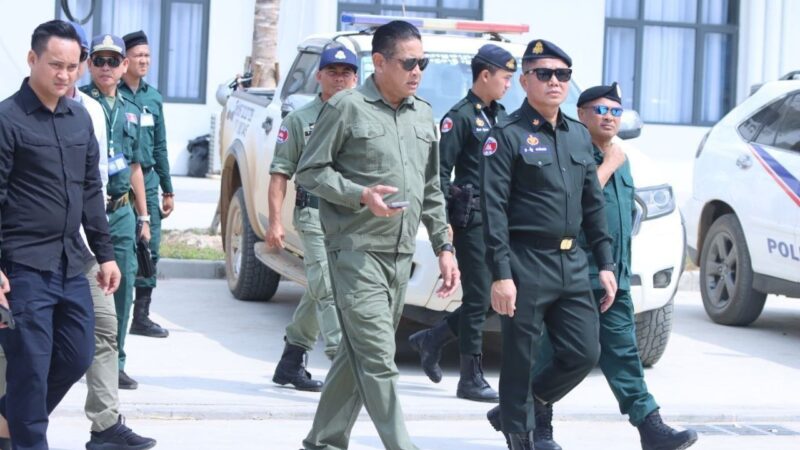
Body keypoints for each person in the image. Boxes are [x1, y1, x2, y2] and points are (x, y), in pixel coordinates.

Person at [487, 83, 699, 450]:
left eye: (615, 112)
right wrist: (607, 166)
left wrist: (614, 267)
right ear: (581, 115)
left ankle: (649, 425)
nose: (609, 118)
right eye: (600, 110)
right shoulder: (569, 149)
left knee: (621, 350)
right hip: (569, 270)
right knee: (554, 352)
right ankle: (534, 425)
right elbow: (573, 204)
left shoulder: (624, 156)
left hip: (610, 272)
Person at [295, 20, 459, 450]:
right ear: (380, 62)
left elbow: (431, 188)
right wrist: (360, 195)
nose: (417, 71)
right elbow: (310, 171)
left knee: (357, 355)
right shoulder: (346, 107)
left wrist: (444, 246)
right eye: (408, 63)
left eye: (422, 63)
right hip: (355, 251)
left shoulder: (422, 113)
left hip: (400, 255)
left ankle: (322, 441)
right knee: (379, 358)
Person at [0, 22, 157, 450]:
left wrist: (105, 254)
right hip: (23, 264)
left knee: (77, 354)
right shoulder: (7, 119)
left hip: (72, 262)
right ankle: (26, 435)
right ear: (32, 59)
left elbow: (91, 190)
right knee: (30, 368)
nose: (64, 75)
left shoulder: (80, 118)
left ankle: (9, 417)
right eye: (56, 65)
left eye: (72, 67)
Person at [479, 39, 617, 450]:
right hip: (526, 260)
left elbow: (593, 204)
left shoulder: (578, 136)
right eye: (544, 73)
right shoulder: (507, 135)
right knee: (520, 358)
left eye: (562, 74)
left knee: (584, 352)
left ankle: (523, 405)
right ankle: (519, 434)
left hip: (571, 261)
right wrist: (501, 275)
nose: (554, 81)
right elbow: (493, 209)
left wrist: (605, 263)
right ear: (524, 81)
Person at [408, 44, 517, 402]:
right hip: (471, 219)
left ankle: (433, 338)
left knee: (493, 296)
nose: (509, 85)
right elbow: (440, 173)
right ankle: (470, 377)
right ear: (485, 75)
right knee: (477, 297)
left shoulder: (501, 116)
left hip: (500, 220)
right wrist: (444, 225)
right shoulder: (460, 117)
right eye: (505, 77)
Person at [267, 45, 358, 391]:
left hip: (351, 218)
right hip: (314, 213)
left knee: (320, 288)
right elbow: (280, 174)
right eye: (332, 72)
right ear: (319, 76)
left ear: (356, 78)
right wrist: (275, 221)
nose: (339, 78)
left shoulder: (364, 117)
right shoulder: (299, 120)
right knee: (328, 288)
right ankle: (343, 367)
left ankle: (291, 361)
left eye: (346, 72)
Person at [81, 34, 151, 391]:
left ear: (124, 66)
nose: (106, 67)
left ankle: (116, 363)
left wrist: (144, 217)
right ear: (89, 64)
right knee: (80, 286)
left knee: (122, 289)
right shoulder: (77, 103)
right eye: (99, 60)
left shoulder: (132, 110)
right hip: (85, 212)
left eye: (113, 61)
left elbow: (136, 165)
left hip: (121, 210)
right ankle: (79, 357)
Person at [120, 30, 175, 340]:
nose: (144, 61)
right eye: (138, 55)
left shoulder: (153, 97)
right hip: (119, 182)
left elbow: (160, 145)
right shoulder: (112, 93)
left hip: (150, 180)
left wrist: (168, 189)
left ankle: (141, 316)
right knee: (120, 247)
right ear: (125, 59)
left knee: (149, 249)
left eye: (147, 56)